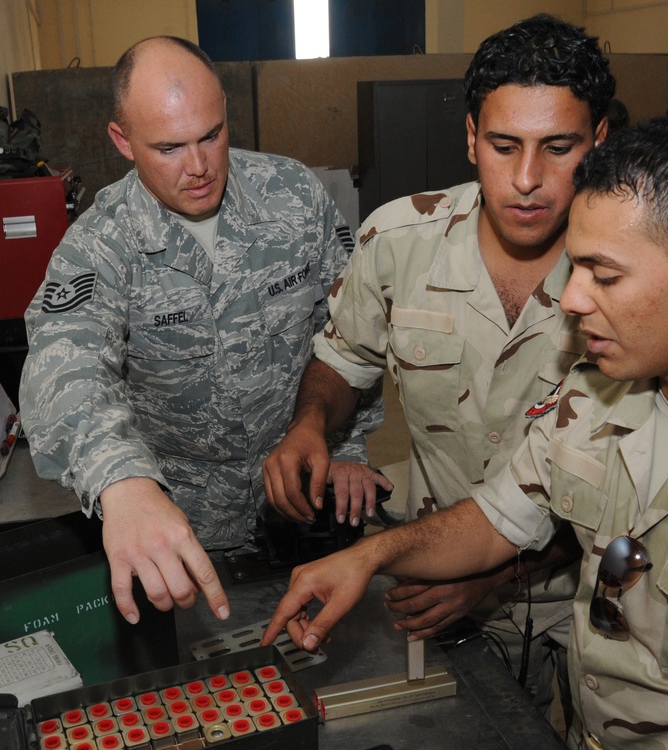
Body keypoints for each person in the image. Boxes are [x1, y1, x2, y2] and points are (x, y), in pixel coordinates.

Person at [263, 111, 668, 749]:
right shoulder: (595, 393)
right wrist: (369, 557)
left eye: (604, 274)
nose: (570, 298)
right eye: (575, 267)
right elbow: (495, 521)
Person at [263, 14, 615, 714]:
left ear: (599, 141)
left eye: (558, 147)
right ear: (469, 137)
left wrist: (493, 577)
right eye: (503, 145)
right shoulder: (399, 241)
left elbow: (635, 482)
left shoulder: (626, 278)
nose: (526, 180)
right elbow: (344, 357)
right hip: (426, 591)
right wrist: (310, 424)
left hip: (582, 606)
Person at [19, 36, 381, 626]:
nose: (199, 166)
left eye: (211, 135)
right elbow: (66, 363)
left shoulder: (293, 197)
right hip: (178, 533)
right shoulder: (101, 244)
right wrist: (122, 484)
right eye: (168, 147)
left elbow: (350, 327)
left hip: (303, 507)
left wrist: (349, 445)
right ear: (123, 142)